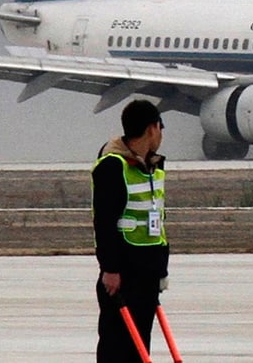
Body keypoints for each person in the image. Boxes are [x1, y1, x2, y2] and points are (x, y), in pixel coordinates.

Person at [92, 99, 170, 362]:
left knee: (140, 350)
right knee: (117, 348)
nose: (161, 133)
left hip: (148, 271)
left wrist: (162, 269)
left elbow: (157, 221)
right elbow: (104, 222)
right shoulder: (113, 166)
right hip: (123, 274)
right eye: (161, 126)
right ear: (151, 129)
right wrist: (110, 269)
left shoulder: (153, 168)